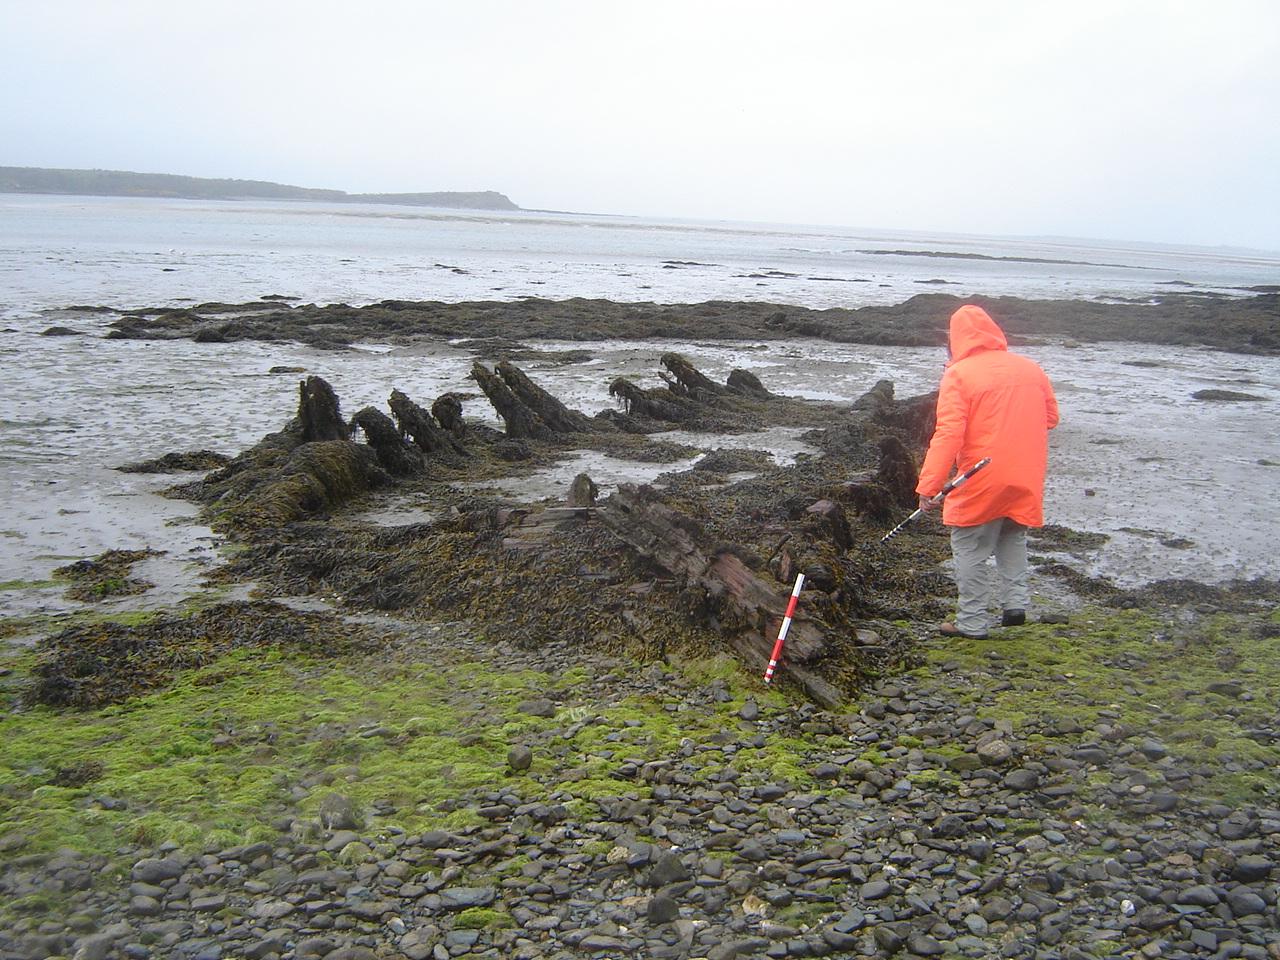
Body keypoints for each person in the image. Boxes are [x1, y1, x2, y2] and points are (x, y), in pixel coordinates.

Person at [916, 304, 1060, 639]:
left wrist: (930, 484)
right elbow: (1051, 418)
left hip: (981, 478)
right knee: (1012, 534)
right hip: (1025, 474)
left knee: (969, 547)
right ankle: (1015, 606)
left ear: (956, 339)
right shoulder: (1030, 368)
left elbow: (948, 434)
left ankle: (972, 622)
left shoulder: (959, 374)